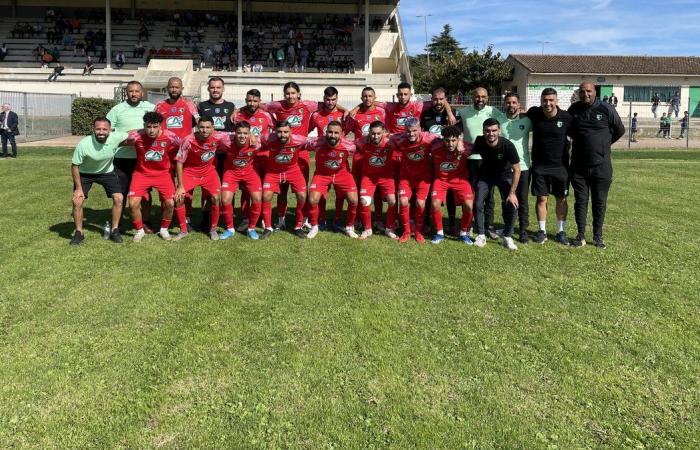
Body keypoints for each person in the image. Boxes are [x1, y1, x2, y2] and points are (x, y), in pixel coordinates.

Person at [567, 81, 625, 248]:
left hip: (601, 166)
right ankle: (580, 235)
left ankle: (598, 236)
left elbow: (619, 130)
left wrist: (603, 145)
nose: (585, 94)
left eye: (589, 91)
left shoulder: (606, 109)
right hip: (578, 166)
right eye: (582, 92)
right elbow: (570, 131)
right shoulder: (574, 110)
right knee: (581, 200)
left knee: (599, 201)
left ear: (595, 92)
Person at [69, 117, 129, 245]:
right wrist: (78, 189)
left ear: (110, 130)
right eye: (98, 129)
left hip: (107, 172)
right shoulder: (84, 144)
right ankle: (79, 232)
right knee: (77, 200)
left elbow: (132, 133)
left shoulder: (116, 137)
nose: (101, 132)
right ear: (93, 129)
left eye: (104, 129)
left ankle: (115, 230)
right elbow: (75, 166)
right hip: (85, 174)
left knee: (119, 198)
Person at [458, 87, 507, 238]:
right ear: (472, 96)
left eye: (483, 97)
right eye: (477, 96)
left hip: (488, 160)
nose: (480, 99)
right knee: (470, 194)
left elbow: (503, 131)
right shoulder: (464, 112)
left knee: (489, 196)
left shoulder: (494, 112)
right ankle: (470, 224)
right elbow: (457, 128)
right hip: (471, 160)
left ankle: (489, 226)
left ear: (488, 97)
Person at [124, 111, 181, 242]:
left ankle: (164, 229)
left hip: (163, 174)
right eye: (148, 126)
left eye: (155, 126)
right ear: (144, 126)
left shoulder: (170, 136)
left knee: (170, 203)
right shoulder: (136, 135)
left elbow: (184, 145)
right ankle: (139, 230)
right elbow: (118, 141)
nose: (151, 130)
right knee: (132, 203)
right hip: (141, 174)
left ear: (161, 126)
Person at [106, 80, 156, 226]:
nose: (134, 94)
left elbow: (159, 127)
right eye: (131, 91)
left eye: (136, 91)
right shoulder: (117, 109)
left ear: (142, 93)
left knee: (146, 193)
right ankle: (118, 223)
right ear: (126, 93)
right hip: (122, 158)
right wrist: (125, 135)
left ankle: (146, 222)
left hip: (144, 158)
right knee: (120, 193)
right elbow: (107, 130)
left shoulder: (151, 108)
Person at [526, 88, 573, 245]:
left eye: (551, 100)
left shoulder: (566, 118)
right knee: (541, 198)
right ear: (541, 101)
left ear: (557, 101)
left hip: (561, 167)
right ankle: (542, 231)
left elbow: (580, 136)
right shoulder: (534, 114)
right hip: (540, 166)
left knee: (561, 199)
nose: (548, 103)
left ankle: (561, 231)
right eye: (545, 100)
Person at [173, 116, 230, 241]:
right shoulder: (189, 140)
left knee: (215, 198)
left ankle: (213, 229)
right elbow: (179, 162)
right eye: (202, 127)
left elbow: (236, 136)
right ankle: (183, 230)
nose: (204, 130)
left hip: (209, 172)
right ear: (197, 127)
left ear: (213, 128)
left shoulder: (218, 137)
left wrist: (252, 136)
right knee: (179, 198)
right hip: (190, 172)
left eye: (208, 127)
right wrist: (180, 186)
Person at [472, 118, 521, 250]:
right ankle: (481, 235)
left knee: (512, 204)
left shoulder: (508, 146)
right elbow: (468, 151)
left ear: (499, 131)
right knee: (477, 203)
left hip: (504, 176)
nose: (491, 134)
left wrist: (512, 193)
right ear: (483, 131)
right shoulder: (480, 141)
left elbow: (517, 170)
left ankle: (508, 237)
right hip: (486, 176)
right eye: (487, 131)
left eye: (494, 130)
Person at [305, 121, 359, 239]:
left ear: (341, 134)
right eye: (330, 132)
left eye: (336, 133)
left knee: (354, 200)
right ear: (326, 132)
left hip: (342, 174)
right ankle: (314, 226)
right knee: (313, 199)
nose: (332, 135)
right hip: (322, 174)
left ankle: (349, 227)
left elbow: (362, 149)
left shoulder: (349, 146)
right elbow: (301, 144)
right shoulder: (317, 143)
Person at [388, 118, 438, 243]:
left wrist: (458, 141)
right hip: (406, 177)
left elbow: (447, 137)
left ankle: (418, 231)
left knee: (420, 203)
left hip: (423, 177)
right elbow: (384, 137)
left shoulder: (429, 137)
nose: (411, 134)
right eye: (408, 131)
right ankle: (406, 231)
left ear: (420, 129)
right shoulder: (398, 138)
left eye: (414, 131)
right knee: (404, 201)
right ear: (405, 131)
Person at [197, 77, 236, 231]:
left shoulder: (231, 106)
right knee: (207, 188)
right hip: (208, 154)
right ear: (208, 89)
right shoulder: (201, 106)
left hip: (226, 155)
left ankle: (228, 218)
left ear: (223, 89)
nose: (215, 90)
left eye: (218, 87)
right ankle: (206, 220)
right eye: (212, 87)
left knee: (228, 187)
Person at [259, 120, 309, 239]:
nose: (283, 135)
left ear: (291, 131)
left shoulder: (299, 140)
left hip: (293, 170)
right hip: (273, 172)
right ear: (275, 131)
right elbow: (254, 139)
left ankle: (298, 226)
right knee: (266, 195)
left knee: (302, 196)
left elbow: (315, 142)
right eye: (279, 132)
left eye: (286, 132)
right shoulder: (267, 138)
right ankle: (268, 227)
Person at [428, 125, 474, 245]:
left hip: (460, 180)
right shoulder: (434, 148)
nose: (450, 143)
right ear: (443, 140)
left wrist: (462, 143)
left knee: (469, 205)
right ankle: (439, 233)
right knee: (435, 203)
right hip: (441, 180)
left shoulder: (466, 147)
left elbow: (480, 145)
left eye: (453, 140)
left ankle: (463, 233)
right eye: (447, 140)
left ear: (458, 139)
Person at [219, 121, 263, 240]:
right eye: (239, 133)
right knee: (225, 199)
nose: (242, 136)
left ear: (249, 133)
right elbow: (211, 133)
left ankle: (251, 229)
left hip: (250, 172)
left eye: (245, 133)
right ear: (234, 133)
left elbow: (270, 136)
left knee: (257, 198)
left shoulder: (256, 142)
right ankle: (229, 229)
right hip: (231, 172)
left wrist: (253, 136)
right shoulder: (227, 140)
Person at [355, 121, 398, 240]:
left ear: (384, 132)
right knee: (364, 201)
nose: (376, 136)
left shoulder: (391, 142)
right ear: (369, 133)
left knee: (392, 201)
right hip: (368, 177)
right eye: (373, 134)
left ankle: (389, 229)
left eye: (379, 133)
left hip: (386, 177)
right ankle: (367, 229)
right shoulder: (362, 142)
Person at [500, 93, 532, 243]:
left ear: (519, 105)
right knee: (506, 199)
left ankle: (523, 230)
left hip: (524, 167)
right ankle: (508, 228)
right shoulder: (500, 120)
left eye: (514, 102)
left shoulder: (527, 121)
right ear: (504, 104)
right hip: (505, 168)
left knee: (522, 200)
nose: (511, 105)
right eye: (508, 103)